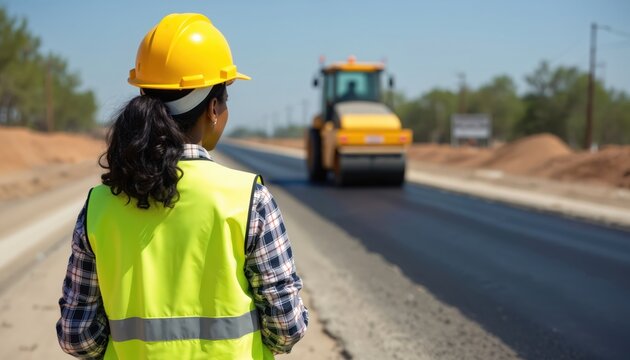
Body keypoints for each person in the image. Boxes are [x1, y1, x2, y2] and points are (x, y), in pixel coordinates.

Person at [56, 13, 307, 359]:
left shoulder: (99, 206)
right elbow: (286, 327)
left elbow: (76, 335)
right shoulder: (250, 199)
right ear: (214, 109)